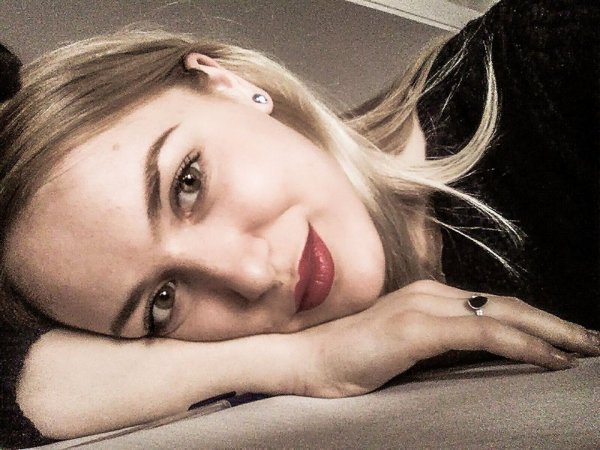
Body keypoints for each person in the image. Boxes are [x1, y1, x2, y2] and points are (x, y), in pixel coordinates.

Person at [1, 0, 598, 446]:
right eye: (163, 300)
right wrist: (301, 361)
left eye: (188, 182)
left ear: (230, 86)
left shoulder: (543, 62)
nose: (250, 274)